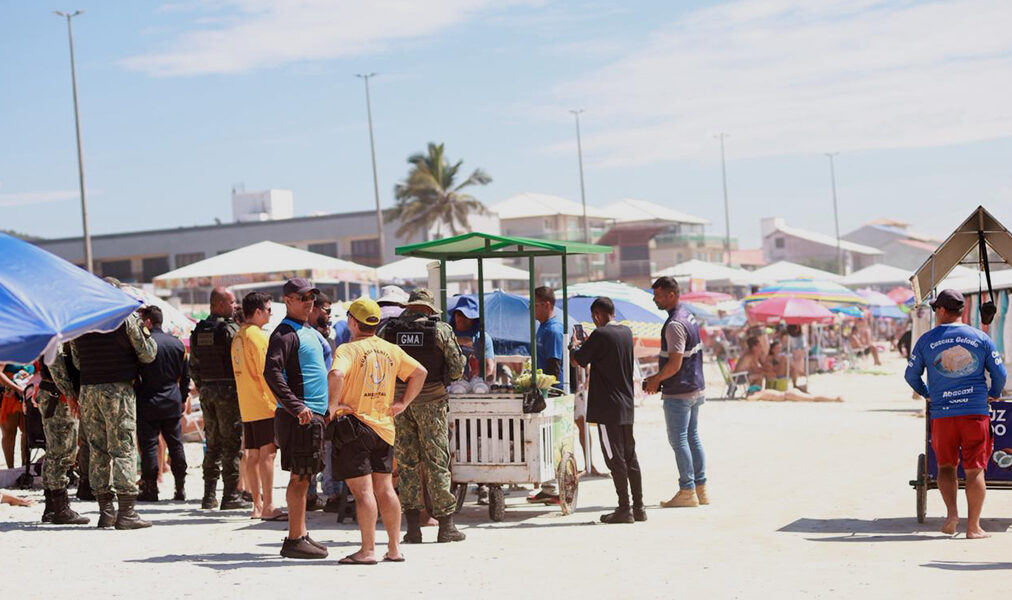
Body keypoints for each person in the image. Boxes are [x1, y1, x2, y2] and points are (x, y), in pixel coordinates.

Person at [328, 298, 427, 564]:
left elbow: (336, 375)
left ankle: (368, 550)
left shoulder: (348, 349)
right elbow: (420, 372)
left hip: (355, 427)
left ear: (352, 321)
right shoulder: (391, 349)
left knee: (363, 493)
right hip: (384, 428)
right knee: (385, 489)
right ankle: (394, 549)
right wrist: (403, 403)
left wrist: (332, 407)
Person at [905, 289, 1007, 539]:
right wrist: (993, 393)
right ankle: (973, 528)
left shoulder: (927, 340)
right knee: (975, 470)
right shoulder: (980, 337)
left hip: (943, 414)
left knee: (946, 467)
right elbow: (1000, 374)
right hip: (975, 413)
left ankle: (952, 514)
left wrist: (927, 393)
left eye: (935, 309)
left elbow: (911, 375)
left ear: (941, 310)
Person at [70, 278, 157, 530]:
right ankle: (127, 512)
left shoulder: (81, 322)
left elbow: (77, 361)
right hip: (117, 391)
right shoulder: (124, 318)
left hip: (89, 390)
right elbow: (148, 354)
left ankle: (106, 512)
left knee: (97, 450)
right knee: (123, 448)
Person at [381, 289, 467, 543]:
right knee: (436, 462)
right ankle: (446, 527)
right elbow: (457, 370)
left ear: (409, 307)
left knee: (406, 463)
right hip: (432, 402)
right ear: (429, 309)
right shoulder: (440, 331)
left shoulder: (389, 330)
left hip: (399, 404)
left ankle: (412, 529)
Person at [265, 278, 330, 559]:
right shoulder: (284, 333)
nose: (309, 303)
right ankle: (294, 539)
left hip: (312, 414)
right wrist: (296, 406)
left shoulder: (308, 330)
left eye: (311, 298)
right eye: (303, 298)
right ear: (288, 300)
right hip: (300, 416)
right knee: (300, 477)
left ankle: (300, 532)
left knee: (305, 475)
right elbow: (271, 372)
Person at [571, 297, 644, 524]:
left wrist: (575, 344)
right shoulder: (626, 333)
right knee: (630, 456)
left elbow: (578, 360)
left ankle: (624, 508)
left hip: (606, 407)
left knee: (614, 458)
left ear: (597, 315)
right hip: (626, 405)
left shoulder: (600, 335)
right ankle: (639, 507)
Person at [644, 276, 708, 509]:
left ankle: (687, 490)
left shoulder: (674, 324)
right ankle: (700, 489)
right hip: (695, 386)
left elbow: (674, 364)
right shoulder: (688, 315)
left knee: (679, 439)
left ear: (671, 295)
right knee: (692, 437)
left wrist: (655, 380)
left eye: (658, 296)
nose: (655, 300)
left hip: (680, 390)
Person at [190, 287, 251, 511]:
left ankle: (208, 496)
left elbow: (194, 366)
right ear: (219, 304)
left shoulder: (199, 330)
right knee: (231, 443)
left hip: (207, 392)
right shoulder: (231, 330)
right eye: (231, 302)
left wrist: (204, 387)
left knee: (212, 442)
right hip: (228, 392)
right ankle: (230, 495)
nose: (234, 306)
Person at [232, 291, 285, 521]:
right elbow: (267, 373)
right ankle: (269, 505)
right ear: (257, 312)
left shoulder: (238, 336)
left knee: (252, 455)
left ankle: (257, 505)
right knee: (267, 455)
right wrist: (280, 400)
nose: (270, 314)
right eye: (268, 310)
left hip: (246, 403)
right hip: (264, 403)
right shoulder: (258, 337)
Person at [134, 306, 189, 503]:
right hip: (171, 400)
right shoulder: (177, 344)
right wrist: (183, 398)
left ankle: (150, 489)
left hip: (148, 400)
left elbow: (135, 376)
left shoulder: (143, 345)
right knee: (175, 444)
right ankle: (180, 487)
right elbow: (185, 376)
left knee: (149, 446)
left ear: (148, 322)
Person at [36, 346, 89, 525]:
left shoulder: (53, 336)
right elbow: (56, 365)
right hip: (59, 396)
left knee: (54, 451)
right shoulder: (58, 338)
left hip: (54, 392)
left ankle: (51, 507)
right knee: (63, 451)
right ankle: (61, 509)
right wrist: (70, 394)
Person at [303, 293, 335, 513]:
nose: (329, 316)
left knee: (320, 448)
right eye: (327, 310)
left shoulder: (317, 334)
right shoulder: (309, 335)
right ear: (314, 309)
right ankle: (326, 494)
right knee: (321, 448)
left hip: (319, 401)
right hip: (316, 401)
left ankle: (315, 494)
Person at [450, 296, 495, 381]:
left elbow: (489, 367)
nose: (461, 318)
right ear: (454, 315)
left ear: (473, 319)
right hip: (452, 384)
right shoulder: (447, 335)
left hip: (476, 384)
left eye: (466, 315)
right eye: (459, 314)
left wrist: (477, 381)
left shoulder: (482, 337)